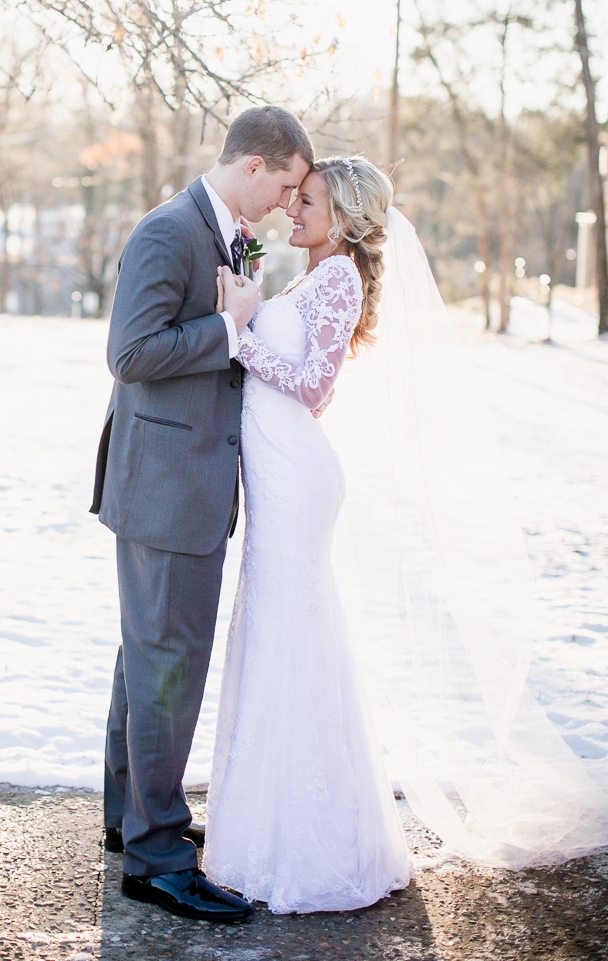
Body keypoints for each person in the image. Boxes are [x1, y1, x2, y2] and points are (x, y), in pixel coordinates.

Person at [89, 105, 314, 924]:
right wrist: (231, 326)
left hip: (178, 485)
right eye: (286, 185)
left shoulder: (223, 233)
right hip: (165, 489)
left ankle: (131, 820)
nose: (289, 205)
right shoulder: (168, 231)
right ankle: (156, 859)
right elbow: (131, 353)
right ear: (254, 166)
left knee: (147, 657)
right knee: (167, 666)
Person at [203, 155, 411, 913]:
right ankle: (267, 825)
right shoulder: (316, 275)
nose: (294, 209)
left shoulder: (339, 278)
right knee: (276, 633)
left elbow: (313, 387)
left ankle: (308, 843)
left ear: (347, 219)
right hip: (283, 468)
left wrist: (238, 330)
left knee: (289, 635)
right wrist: (255, 323)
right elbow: (307, 392)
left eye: (310, 200)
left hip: (296, 484)